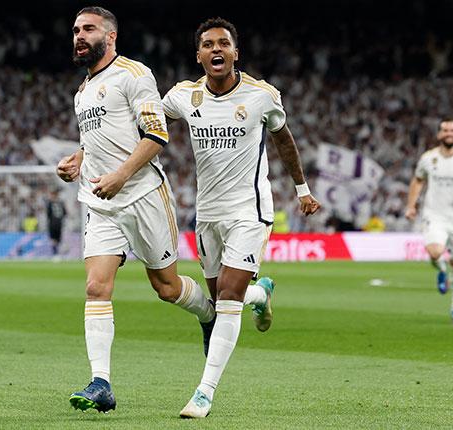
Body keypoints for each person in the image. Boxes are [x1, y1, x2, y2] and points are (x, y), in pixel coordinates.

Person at [56, 6, 216, 413]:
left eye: (88, 29)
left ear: (110, 37)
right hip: (99, 201)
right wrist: (79, 158)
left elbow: (156, 133)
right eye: (75, 29)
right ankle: (101, 382)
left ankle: (209, 313)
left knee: (166, 287)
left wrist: (122, 175)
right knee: (96, 287)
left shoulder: (134, 74)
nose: (78, 35)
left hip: (143, 194)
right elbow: (100, 139)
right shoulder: (81, 92)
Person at [161, 17, 321, 418]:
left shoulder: (262, 96)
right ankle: (261, 293)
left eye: (224, 44)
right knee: (219, 299)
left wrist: (302, 190)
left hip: (250, 212)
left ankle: (204, 392)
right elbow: (145, 119)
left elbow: (283, 139)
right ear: (198, 55)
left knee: (228, 297)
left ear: (236, 53)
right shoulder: (183, 96)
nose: (217, 50)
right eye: (208, 45)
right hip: (208, 214)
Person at [405, 118, 453, 327]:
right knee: (434, 252)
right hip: (435, 214)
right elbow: (418, 180)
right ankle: (441, 270)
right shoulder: (428, 158)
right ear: (439, 135)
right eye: (445, 130)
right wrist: (411, 205)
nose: (449, 133)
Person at [46, 189, 66, 255]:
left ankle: (55, 253)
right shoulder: (61, 202)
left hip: (53, 223)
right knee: (56, 239)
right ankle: (56, 252)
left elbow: (48, 214)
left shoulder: (50, 203)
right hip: (59, 222)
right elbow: (65, 213)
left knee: (54, 239)